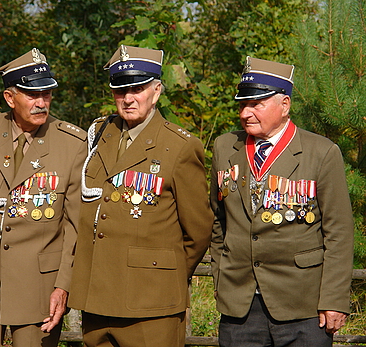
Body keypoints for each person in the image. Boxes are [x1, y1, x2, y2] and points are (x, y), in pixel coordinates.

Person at [69, 45, 213, 347]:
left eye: (138, 88)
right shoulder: (98, 135)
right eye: (120, 90)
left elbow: (198, 231)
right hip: (97, 297)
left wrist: (162, 274)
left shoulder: (180, 147)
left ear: (157, 90)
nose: (128, 98)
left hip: (151, 303)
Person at [0, 48, 86, 347]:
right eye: (33, 95)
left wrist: (63, 286)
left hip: (38, 287)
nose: (41, 103)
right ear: (10, 98)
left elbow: (74, 227)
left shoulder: (72, 143)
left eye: (47, 94)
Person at [210, 56, 354, 346]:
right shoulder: (225, 147)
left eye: (256, 104)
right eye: (242, 105)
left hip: (303, 305)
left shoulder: (321, 152)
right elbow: (217, 221)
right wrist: (219, 280)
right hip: (240, 305)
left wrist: (334, 299)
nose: (245, 113)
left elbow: (339, 231)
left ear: (284, 105)